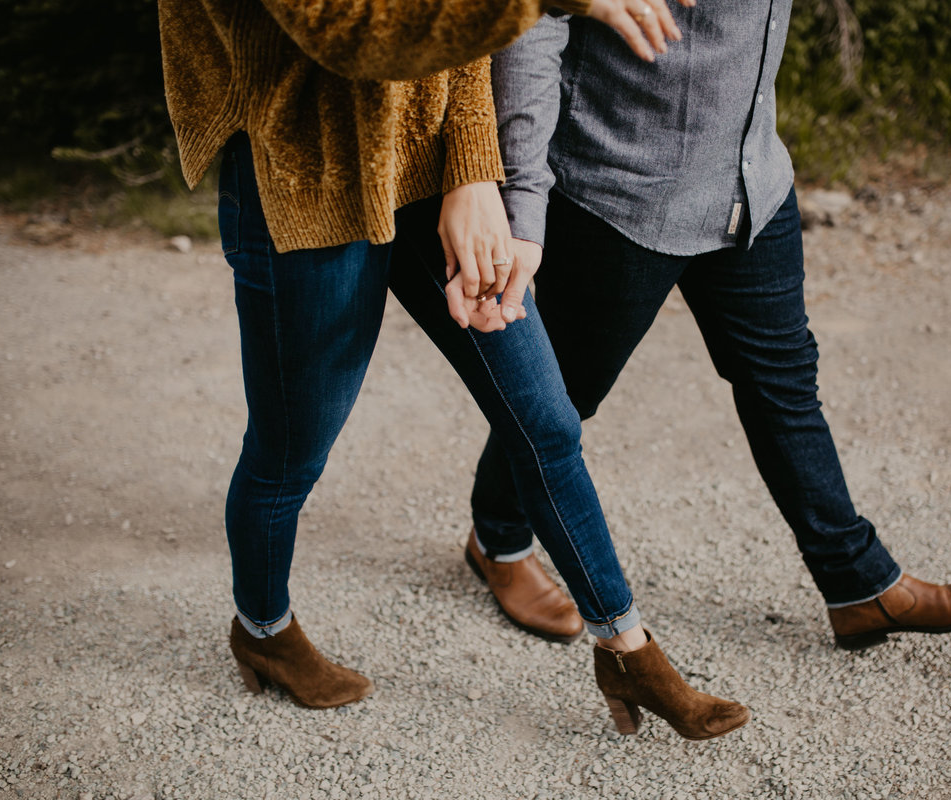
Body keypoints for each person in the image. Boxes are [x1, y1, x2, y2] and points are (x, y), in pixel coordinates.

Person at [158, 0, 751, 740]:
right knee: (290, 452)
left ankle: (627, 649)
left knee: (546, 419)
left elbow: (462, 33)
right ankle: (263, 629)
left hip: (431, 163)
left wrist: (472, 172)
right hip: (306, 173)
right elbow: (347, 30)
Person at [464, 5, 951, 651]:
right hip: (621, 192)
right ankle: (498, 539)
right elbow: (537, 18)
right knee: (564, 396)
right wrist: (523, 198)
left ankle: (858, 585)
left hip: (751, 182)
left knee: (785, 383)